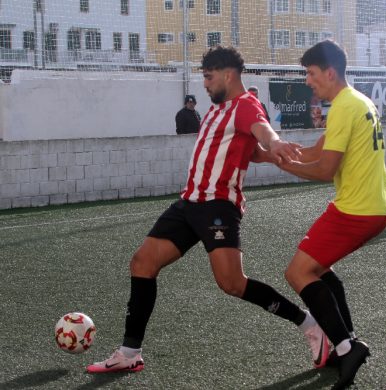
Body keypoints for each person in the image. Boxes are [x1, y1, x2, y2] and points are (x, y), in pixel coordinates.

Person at [87, 46, 329, 374]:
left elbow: (261, 130)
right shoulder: (217, 109)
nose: (204, 84)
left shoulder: (245, 106)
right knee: (142, 263)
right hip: (188, 203)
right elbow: (248, 148)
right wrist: (267, 153)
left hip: (218, 205)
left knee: (231, 283)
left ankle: (310, 325)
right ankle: (131, 352)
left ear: (228, 74)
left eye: (208, 76)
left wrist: (275, 144)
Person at [277, 40, 386, 389]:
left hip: (356, 210)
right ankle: (347, 340)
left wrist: (289, 168)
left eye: (311, 74)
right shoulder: (358, 101)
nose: (308, 81)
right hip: (370, 206)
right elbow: (320, 149)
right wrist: (286, 154)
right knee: (319, 269)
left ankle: (346, 347)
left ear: (329, 73)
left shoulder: (343, 105)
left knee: (298, 273)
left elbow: (326, 168)